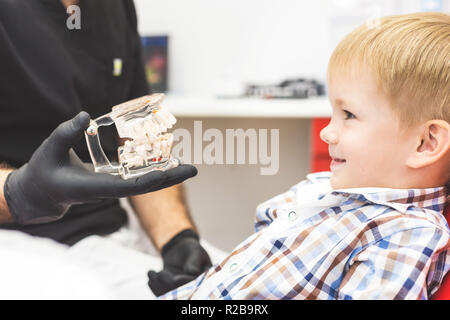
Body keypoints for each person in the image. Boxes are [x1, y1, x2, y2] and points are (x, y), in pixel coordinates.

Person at [158, 12, 450, 300]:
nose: (328, 132)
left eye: (349, 115)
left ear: (425, 143)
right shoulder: (322, 186)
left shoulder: (405, 234)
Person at [0, 0, 218, 297]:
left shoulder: (116, 7)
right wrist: (20, 192)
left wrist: (178, 238)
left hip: (109, 234)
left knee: (235, 285)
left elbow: (140, 139)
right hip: (18, 241)